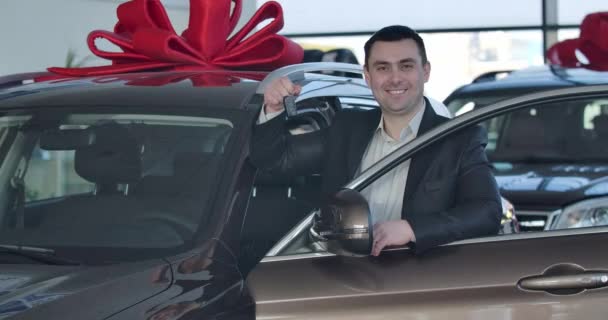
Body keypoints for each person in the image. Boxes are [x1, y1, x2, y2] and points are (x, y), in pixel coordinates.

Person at [250, 25, 501, 255]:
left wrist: (413, 229)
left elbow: (487, 212)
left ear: (425, 71)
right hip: (338, 276)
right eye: (382, 68)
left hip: (419, 283)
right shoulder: (346, 128)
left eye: (406, 66)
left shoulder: (458, 138)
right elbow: (274, 160)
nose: (395, 78)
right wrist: (272, 109)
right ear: (368, 77)